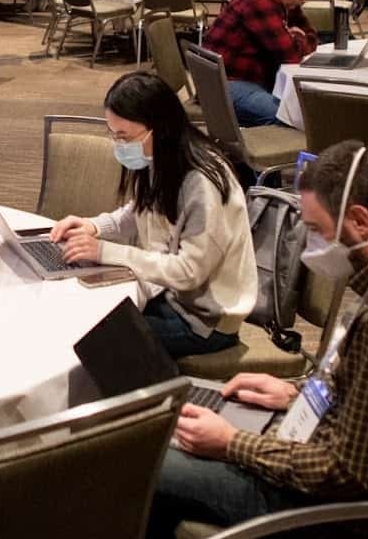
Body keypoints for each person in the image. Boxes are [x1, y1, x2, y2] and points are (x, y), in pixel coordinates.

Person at [146, 141, 368, 538]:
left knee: (143, 455)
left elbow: (342, 473)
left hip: (318, 508)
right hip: (326, 455)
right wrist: (294, 394)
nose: (312, 247)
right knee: (177, 437)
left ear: (359, 220)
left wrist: (231, 443)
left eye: (318, 231)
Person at [50, 73, 256, 358]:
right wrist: (95, 226)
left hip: (204, 321)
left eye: (124, 136)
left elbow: (188, 272)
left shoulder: (203, 181)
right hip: (168, 295)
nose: (119, 144)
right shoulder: (162, 156)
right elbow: (141, 210)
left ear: (159, 128)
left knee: (92, 339)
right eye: (113, 134)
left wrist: (105, 251)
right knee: (78, 306)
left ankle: (149, 399)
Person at [201, 0, 317, 127]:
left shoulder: (283, 0)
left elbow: (312, 37)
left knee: (302, 110)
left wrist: (299, 40)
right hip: (225, 85)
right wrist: (299, 41)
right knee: (295, 119)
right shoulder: (260, 1)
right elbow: (290, 56)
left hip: (247, 79)